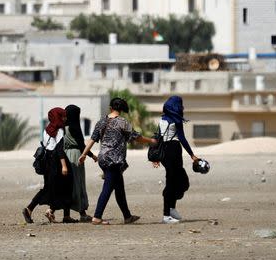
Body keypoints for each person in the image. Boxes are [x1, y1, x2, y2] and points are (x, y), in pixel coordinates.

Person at [79, 97, 156, 225]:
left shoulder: (102, 121)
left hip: (103, 158)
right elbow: (137, 137)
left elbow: (92, 139)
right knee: (107, 188)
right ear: (121, 109)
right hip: (114, 160)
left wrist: (84, 154)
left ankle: (127, 216)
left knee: (119, 188)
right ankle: (97, 216)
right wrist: (151, 141)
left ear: (111, 108)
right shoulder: (122, 122)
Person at [22, 108, 75, 224]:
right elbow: (60, 149)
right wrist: (64, 166)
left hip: (48, 162)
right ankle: (65, 215)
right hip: (57, 161)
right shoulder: (60, 130)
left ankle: (30, 209)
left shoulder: (47, 129)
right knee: (67, 185)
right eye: (63, 116)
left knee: (49, 188)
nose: (65, 118)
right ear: (59, 117)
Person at [154, 95, 199, 224]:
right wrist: (191, 154)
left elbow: (158, 138)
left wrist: (157, 157)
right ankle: (166, 214)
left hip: (164, 152)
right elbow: (182, 139)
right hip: (173, 150)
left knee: (178, 181)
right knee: (174, 183)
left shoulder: (162, 119)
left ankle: (172, 208)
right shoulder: (176, 120)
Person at [63, 104, 96, 222]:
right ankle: (82, 213)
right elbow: (82, 146)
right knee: (79, 183)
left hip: (65, 155)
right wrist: (92, 156)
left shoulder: (63, 128)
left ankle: (64, 214)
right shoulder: (75, 127)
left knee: (67, 185)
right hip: (77, 156)